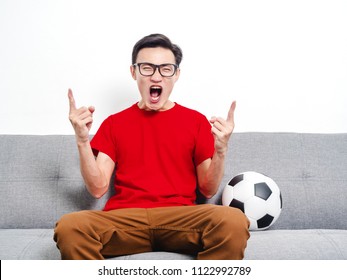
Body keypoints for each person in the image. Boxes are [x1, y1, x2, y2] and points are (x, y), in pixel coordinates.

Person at [54, 33, 250, 260]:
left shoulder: (196, 121)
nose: (156, 76)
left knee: (233, 221)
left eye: (165, 69)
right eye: (147, 68)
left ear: (176, 74)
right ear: (134, 72)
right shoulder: (114, 123)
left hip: (181, 217)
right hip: (126, 219)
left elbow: (208, 189)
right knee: (69, 226)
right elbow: (97, 188)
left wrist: (221, 150)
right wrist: (82, 140)